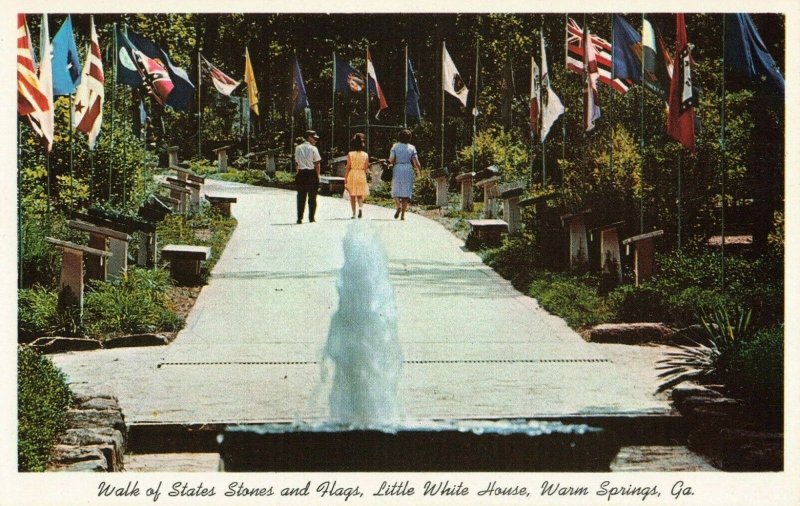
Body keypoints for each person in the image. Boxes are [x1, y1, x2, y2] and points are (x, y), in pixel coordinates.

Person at [388, 129, 422, 220]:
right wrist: (419, 172)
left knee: (396, 189)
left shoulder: (395, 146)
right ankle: (403, 214)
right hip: (408, 169)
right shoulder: (412, 147)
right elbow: (416, 162)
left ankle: (398, 206)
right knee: (406, 192)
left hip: (398, 168)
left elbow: (391, 160)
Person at [294, 130, 321, 224]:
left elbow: (296, 162)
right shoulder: (313, 149)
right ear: (309, 137)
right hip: (311, 173)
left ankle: (299, 218)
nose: (315, 140)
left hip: (301, 173)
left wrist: (298, 172)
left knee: (301, 197)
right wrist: (317, 176)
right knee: (312, 197)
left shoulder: (298, 148)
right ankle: (311, 218)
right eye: (314, 138)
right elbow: (317, 163)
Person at [344, 133, 369, 219]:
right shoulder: (365, 155)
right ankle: (361, 209)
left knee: (352, 195)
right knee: (359, 195)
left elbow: (348, 167)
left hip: (352, 174)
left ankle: (354, 214)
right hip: (361, 174)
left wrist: (345, 178)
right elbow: (366, 168)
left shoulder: (350, 154)